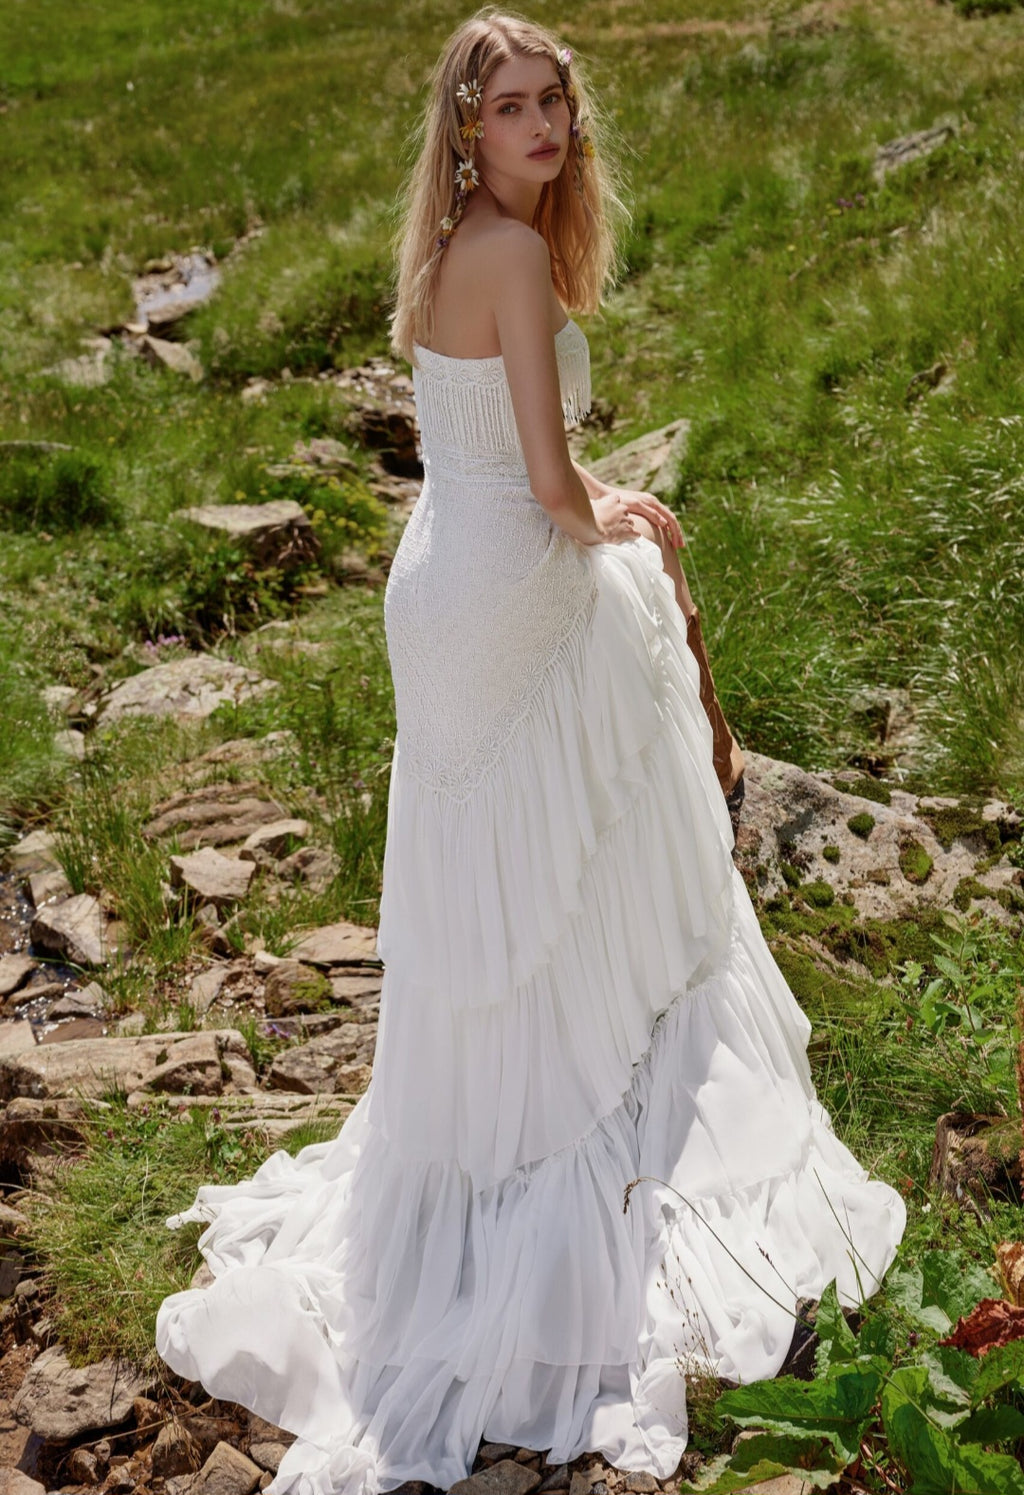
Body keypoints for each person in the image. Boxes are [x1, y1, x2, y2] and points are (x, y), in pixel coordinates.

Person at [155, 11, 905, 1493]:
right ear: (466, 130)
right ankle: (583, 1120)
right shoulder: (507, 252)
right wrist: (624, 516)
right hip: (508, 587)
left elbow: (497, 457)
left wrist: (598, 503)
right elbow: (554, 488)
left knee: (498, 876)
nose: (545, 127)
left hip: (447, 577)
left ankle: (501, 1119)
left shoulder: (452, 249)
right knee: (604, 761)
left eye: (555, 101)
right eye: (514, 107)